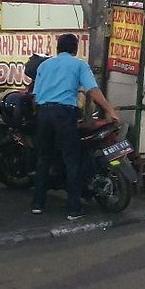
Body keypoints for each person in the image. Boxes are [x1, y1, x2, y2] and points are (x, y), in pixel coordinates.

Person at [30, 33, 121, 220]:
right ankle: (74, 209)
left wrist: (38, 116)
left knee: (43, 159)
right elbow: (93, 90)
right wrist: (111, 110)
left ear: (58, 48)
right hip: (64, 114)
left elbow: (35, 95)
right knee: (72, 160)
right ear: (75, 49)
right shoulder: (79, 65)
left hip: (43, 114)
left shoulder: (44, 65)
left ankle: (38, 204)